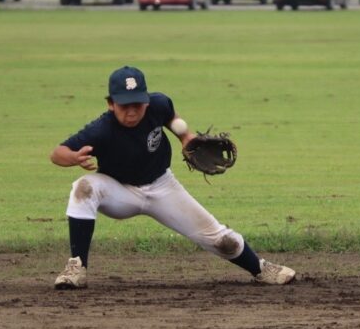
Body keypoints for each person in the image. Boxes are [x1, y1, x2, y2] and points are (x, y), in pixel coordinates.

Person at [50, 65, 295, 289]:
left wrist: (186, 137)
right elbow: (57, 153)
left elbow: (173, 119)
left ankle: (260, 269)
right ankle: (76, 268)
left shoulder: (158, 104)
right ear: (110, 104)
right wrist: (72, 158)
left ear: (146, 100)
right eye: (125, 105)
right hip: (119, 191)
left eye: (138, 103)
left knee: (222, 240)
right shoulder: (101, 130)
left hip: (162, 186)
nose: (133, 110)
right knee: (83, 187)